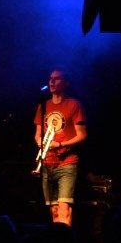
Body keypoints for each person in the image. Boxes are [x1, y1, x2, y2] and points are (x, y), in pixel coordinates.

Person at [33, 67, 88, 228]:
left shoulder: (74, 105)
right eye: (50, 78)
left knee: (64, 209)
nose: (52, 81)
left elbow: (83, 135)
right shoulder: (43, 106)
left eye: (56, 78)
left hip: (67, 163)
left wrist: (61, 144)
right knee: (54, 211)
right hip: (47, 164)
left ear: (66, 83)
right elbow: (37, 134)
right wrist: (39, 142)